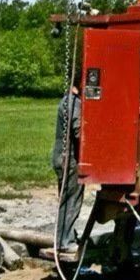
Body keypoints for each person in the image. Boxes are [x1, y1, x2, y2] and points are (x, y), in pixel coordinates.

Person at [51, 80, 83, 254]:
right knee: (72, 200)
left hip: (60, 157)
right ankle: (66, 241)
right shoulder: (74, 102)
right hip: (69, 160)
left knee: (65, 200)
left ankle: (61, 238)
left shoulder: (65, 100)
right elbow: (78, 131)